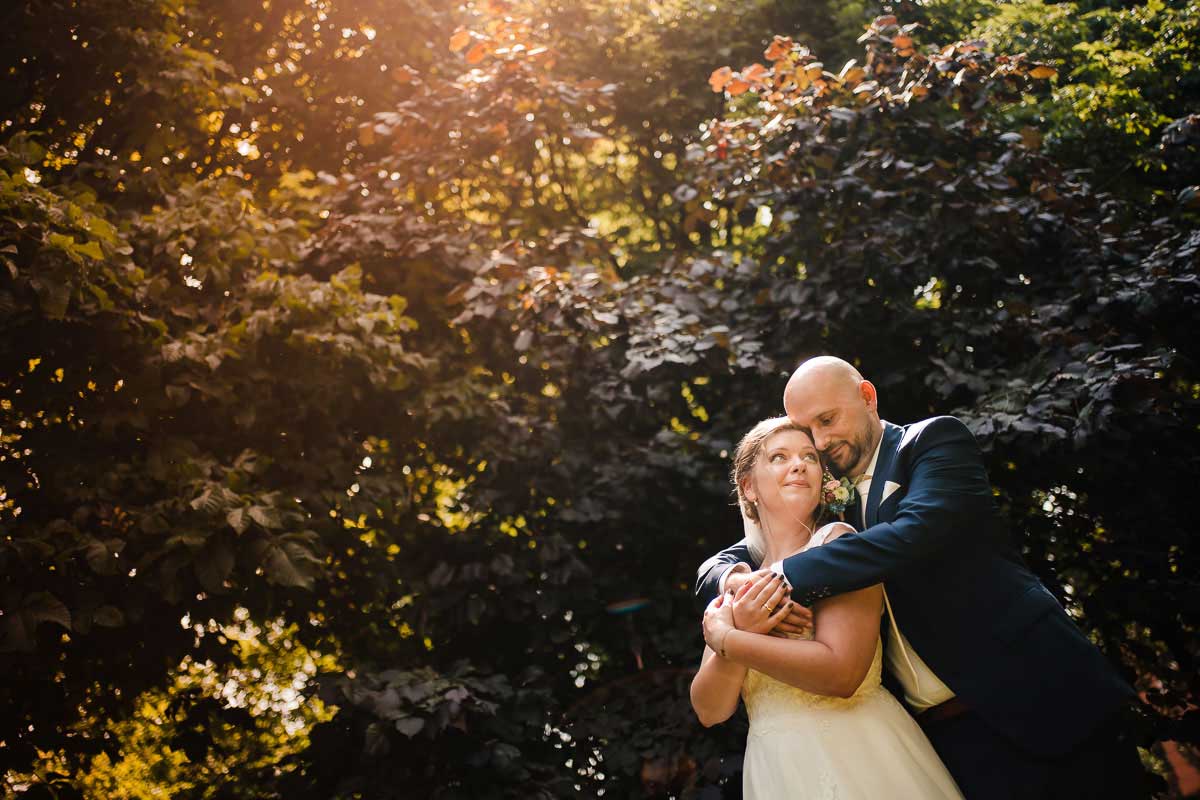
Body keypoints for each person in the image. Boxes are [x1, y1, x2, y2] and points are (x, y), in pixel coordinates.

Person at [695, 356, 1149, 799]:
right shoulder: (833, 503)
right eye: (808, 429)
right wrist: (730, 579)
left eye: (827, 419)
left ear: (867, 397)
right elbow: (735, 555)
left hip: (1039, 693)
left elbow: (915, 534)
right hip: (947, 735)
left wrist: (776, 580)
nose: (821, 440)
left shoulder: (930, 443)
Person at [690, 417, 964, 799]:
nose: (799, 464)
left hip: (858, 753)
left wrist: (729, 638)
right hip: (775, 769)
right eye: (779, 457)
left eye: (809, 457)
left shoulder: (838, 546)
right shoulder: (740, 581)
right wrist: (742, 631)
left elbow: (842, 674)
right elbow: (710, 710)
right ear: (748, 487)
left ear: (823, 479)